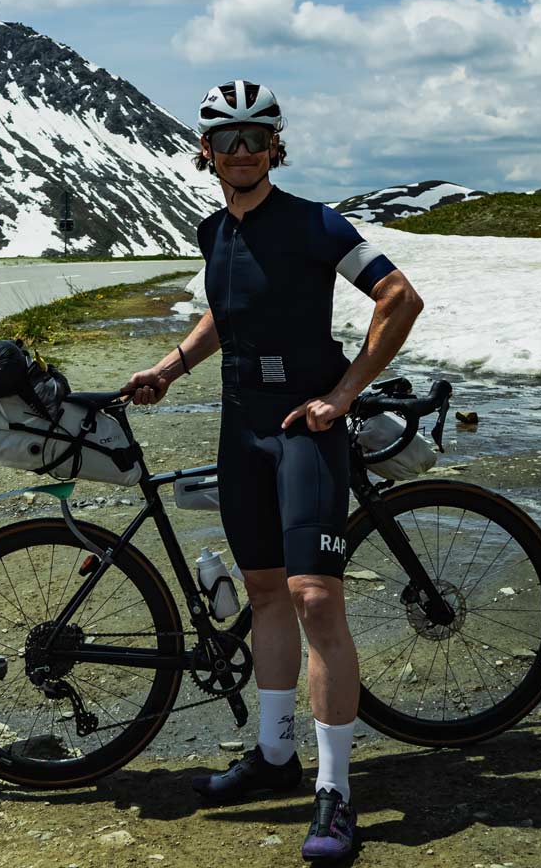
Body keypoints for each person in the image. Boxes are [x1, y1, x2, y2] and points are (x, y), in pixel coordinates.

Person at [122, 80, 425, 861]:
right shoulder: (211, 230)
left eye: (256, 136)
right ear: (207, 152)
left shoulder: (317, 224)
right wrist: (169, 368)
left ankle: (335, 793)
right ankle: (274, 755)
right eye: (227, 140)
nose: (243, 150)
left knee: (315, 597)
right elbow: (228, 311)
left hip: (305, 428)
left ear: (276, 145)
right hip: (241, 429)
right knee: (263, 593)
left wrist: (342, 394)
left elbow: (399, 298)